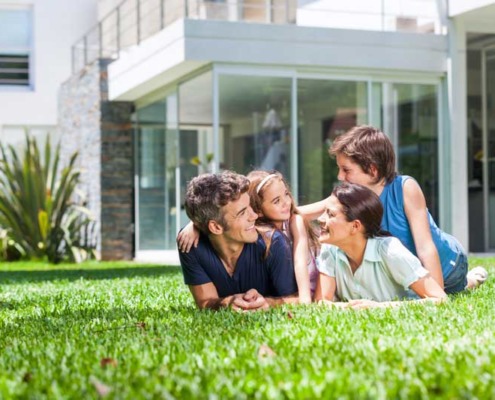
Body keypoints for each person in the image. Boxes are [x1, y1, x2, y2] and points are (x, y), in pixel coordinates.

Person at [306, 125, 486, 294]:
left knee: (450, 288)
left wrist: (436, 291)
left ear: (372, 170)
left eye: (346, 170)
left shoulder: (405, 188)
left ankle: (469, 280)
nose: (340, 176)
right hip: (410, 271)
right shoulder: (350, 196)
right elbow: (307, 211)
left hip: (448, 265)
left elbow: (425, 247)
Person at [178, 170, 319, 304]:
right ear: (215, 227)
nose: (254, 216)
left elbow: (297, 299)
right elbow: (205, 302)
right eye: (242, 212)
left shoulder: (275, 240)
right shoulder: (190, 243)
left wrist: (268, 303)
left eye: (250, 206)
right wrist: (228, 303)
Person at [314, 182, 447, 309]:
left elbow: (440, 299)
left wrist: (379, 307)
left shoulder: (391, 251)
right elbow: (321, 302)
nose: (320, 218)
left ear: (355, 226)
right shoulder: (330, 248)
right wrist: (345, 307)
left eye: (330, 214)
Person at [246, 170, 319, 303]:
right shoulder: (258, 234)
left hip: (308, 290)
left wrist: (305, 301)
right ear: (258, 211)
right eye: (276, 201)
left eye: (286, 194)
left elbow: (300, 262)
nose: (286, 202)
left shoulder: (295, 221)